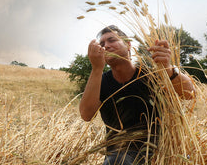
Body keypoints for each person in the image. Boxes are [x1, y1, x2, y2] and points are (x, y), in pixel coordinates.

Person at [79, 25, 195, 165]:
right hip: (117, 156)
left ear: (128, 45)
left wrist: (169, 69)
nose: (106, 46)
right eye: (102, 44)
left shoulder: (151, 75)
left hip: (159, 153)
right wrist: (96, 68)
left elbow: (190, 94)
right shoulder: (100, 81)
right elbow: (86, 114)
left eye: (112, 40)